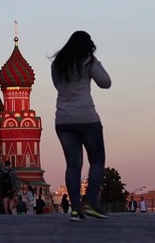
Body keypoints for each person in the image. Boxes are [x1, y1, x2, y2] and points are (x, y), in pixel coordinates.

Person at [51, 31, 111, 221]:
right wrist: (95, 63)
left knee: (73, 165)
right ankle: (92, 204)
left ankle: (76, 209)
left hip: (63, 120)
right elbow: (105, 83)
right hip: (87, 118)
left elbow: (57, 86)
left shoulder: (57, 64)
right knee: (97, 161)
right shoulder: (87, 61)